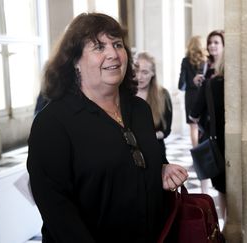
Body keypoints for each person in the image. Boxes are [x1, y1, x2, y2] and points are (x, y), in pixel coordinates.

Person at [26, 13, 188, 243]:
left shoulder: (140, 109)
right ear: (75, 61)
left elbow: (137, 162)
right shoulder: (53, 123)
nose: (113, 54)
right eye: (99, 47)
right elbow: (57, 211)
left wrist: (160, 170)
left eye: (117, 44)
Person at [190, 30, 226, 233]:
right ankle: (226, 224)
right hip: (213, 130)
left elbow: (195, 112)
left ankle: (226, 225)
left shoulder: (217, 77)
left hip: (217, 132)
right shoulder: (206, 68)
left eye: (216, 42)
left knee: (223, 185)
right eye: (210, 42)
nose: (212, 46)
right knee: (222, 185)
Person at [134, 51, 172, 153]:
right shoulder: (125, 94)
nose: (139, 77)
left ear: (153, 73)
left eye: (145, 72)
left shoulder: (163, 94)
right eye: (136, 71)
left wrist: (150, 137)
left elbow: (166, 130)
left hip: (155, 150)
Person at [178, 36, 207, 148]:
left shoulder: (185, 61)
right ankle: (205, 152)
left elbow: (181, 84)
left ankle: (196, 154)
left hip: (190, 96)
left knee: (193, 127)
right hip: (203, 95)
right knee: (203, 125)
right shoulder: (205, 61)